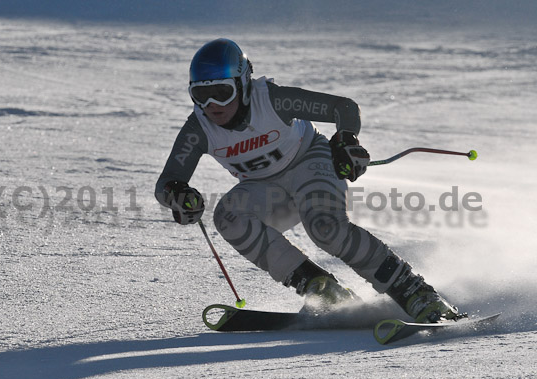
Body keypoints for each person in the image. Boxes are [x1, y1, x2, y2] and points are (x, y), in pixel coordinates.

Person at [155, 38, 462, 322]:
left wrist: (344, 139)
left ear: (244, 84)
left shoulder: (272, 100)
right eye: (200, 95)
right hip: (265, 187)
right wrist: (177, 195)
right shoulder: (199, 128)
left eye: (222, 93)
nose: (212, 106)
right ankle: (322, 289)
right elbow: (167, 181)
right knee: (228, 216)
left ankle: (415, 292)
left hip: (309, 161)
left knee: (324, 228)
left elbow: (343, 107)